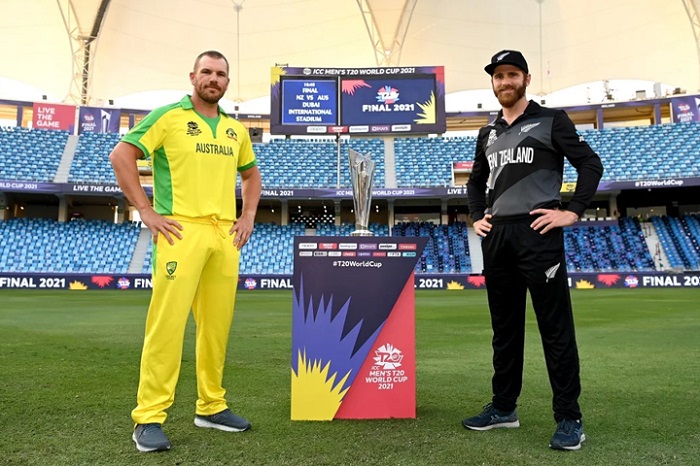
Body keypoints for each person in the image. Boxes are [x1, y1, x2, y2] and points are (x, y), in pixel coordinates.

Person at [109, 50, 262, 453]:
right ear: (193, 76)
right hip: (181, 230)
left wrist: (247, 215)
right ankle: (149, 416)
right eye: (207, 72)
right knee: (168, 325)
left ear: (227, 82)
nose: (214, 79)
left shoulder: (235, 130)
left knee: (216, 327)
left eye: (221, 74)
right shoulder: (168, 117)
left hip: (224, 235)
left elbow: (251, 174)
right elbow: (122, 154)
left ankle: (211, 406)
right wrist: (146, 210)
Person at [463, 50, 603, 451]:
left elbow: (590, 164)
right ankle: (504, 408)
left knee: (555, 329)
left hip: (538, 232)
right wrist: (476, 216)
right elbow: (475, 182)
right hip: (498, 237)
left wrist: (572, 211)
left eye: (512, 74)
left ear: (525, 79)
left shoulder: (551, 120)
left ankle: (569, 418)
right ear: (493, 83)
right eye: (498, 76)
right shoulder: (487, 133)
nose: (504, 82)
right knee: (504, 330)